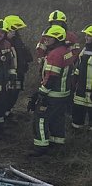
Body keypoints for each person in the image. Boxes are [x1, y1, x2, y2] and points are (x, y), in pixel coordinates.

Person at [28, 25, 74, 156]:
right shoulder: (66, 51)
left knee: (40, 118)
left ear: (57, 38)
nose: (46, 40)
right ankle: (57, 143)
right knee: (57, 118)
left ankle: (40, 147)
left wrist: (41, 93)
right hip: (63, 93)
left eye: (49, 38)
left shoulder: (55, 54)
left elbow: (52, 78)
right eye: (45, 37)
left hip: (52, 94)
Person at [3, 14, 33, 119]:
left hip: (19, 72)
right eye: (14, 29)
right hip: (11, 74)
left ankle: (8, 112)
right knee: (9, 94)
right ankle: (4, 114)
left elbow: (20, 53)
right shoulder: (4, 41)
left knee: (14, 94)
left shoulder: (16, 39)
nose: (15, 31)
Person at [71, 25, 92, 131]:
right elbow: (80, 67)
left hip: (90, 89)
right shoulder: (84, 49)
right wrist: (74, 80)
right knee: (78, 112)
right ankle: (76, 132)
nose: (86, 37)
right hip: (81, 88)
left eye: (89, 35)